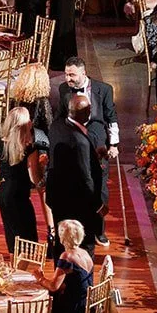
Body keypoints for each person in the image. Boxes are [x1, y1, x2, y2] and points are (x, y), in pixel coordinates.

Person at [56, 56, 120, 233]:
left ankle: (99, 229)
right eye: (66, 74)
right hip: (73, 139)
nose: (68, 79)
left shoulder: (104, 89)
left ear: (83, 73)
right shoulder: (64, 89)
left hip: (96, 139)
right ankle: (78, 227)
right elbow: (60, 116)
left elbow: (111, 117)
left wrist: (113, 144)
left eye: (72, 75)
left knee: (99, 185)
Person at [45, 95, 105, 253]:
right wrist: (98, 205)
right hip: (78, 205)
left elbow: (69, 160)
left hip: (58, 198)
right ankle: (82, 276)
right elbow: (86, 179)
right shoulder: (80, 142)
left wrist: (93, 155)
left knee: (61, 242)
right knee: (82, 246)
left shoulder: (57, 126)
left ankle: (61, 273)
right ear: (88, 112)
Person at [0, 107, 48, 251]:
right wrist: (43, 181)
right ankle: (20, 270)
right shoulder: (29, 147)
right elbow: (34, 175)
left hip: (2, 193)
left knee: (12, 233)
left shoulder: (0, 143)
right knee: (27, 240)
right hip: (18, 196)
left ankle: (15, 266)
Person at [42, 219, 94, 313]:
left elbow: (53, 286)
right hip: (86, 304)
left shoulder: (67, 256)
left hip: (74, 309)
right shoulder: (85, 252)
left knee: (49, 305)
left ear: (63, 237)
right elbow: (76, 280)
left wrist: (39, 277)